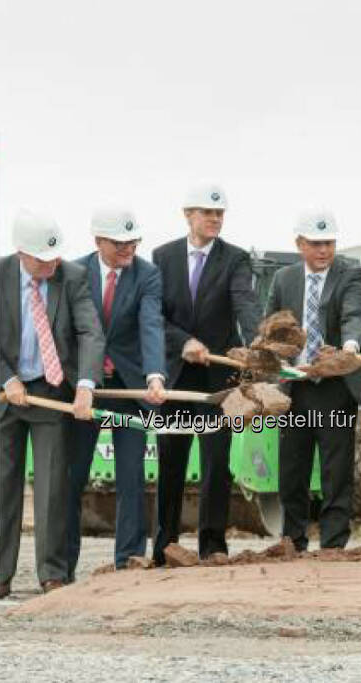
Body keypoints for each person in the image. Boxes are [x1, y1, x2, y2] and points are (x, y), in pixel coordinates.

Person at [151, 183, 260, 564]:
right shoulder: (161, 257)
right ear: (188, 215)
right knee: (170, 460)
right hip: (177, 377)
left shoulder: (235, 259)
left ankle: (213, 547)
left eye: (220, 214)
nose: (214, 219)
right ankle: (164, 547)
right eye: (207, 213)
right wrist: (183, 341)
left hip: (219, 379)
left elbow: (245, 302)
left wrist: (257, 342)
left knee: (216, 462)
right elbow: (154, 316)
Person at [0, 210, 104, 598]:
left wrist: (86, 386)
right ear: (21, 253)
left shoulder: (71, 276)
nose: (53, 262)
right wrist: (6, 378)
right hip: (6, 395)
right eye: (44, 257)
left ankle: (53, 574)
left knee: (52, 488)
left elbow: (90, 331)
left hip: (51, 391)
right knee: (1, 486)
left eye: (56, 255)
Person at [66, 207, 167, 579]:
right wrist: (77, 380)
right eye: (119, 242)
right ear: (97, 241)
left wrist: (155, 375)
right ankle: (61, 567)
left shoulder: (147, 274)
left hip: (129, 387)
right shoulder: (73, 272)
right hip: (83, 389)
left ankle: (129, 561)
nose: (128, 248)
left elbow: (151, 325)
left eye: (133, 241)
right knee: (73, 476)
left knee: (131, 475)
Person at [266, 210, 361, 551]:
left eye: (329, 243)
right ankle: (293, 540)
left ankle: (334, 544)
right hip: (294, 387)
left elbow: (355, 315)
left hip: (335, 387)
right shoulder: (284, 279)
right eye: (316, 244)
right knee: (292, 470)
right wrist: (277, 356)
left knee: (335, 470)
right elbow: (271, 325)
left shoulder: (351, 274)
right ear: (299, 244)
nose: (324, 250)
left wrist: (348, 349)